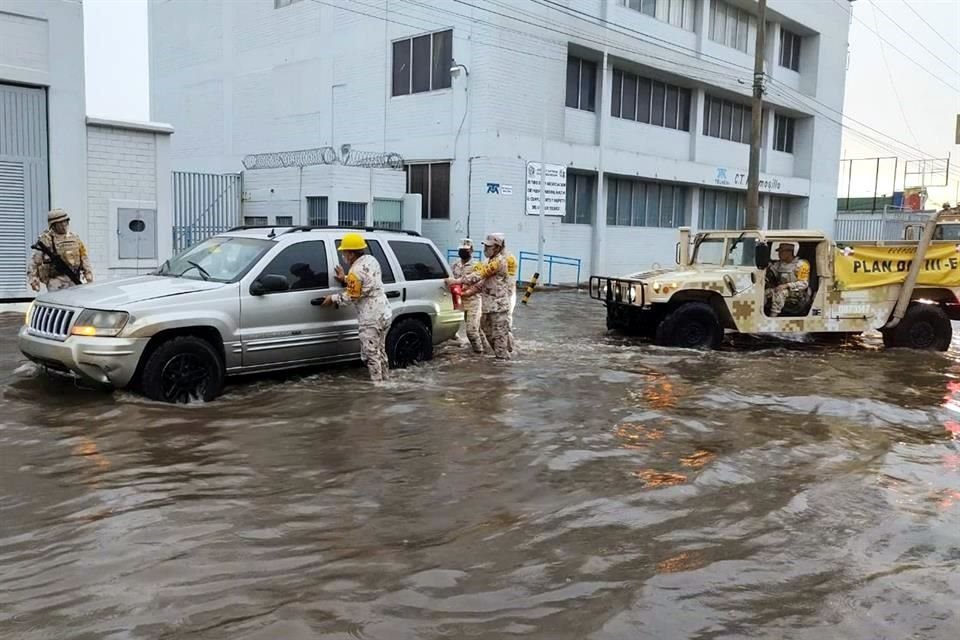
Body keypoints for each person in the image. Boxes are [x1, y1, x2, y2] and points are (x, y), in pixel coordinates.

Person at [321, 232, 391, 381]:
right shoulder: (371, 260)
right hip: (384, 312)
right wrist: (345, 278)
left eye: (344, 252)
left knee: (370, 354)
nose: (343, 255)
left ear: (351, 253)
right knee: (380, 350)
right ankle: (386, 381)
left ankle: (378, 388)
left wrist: (332, 298)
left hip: (370, 317)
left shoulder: (355, 271)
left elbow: (352, 296)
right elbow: (366, 282)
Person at [448, 233, 512, 360]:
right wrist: (466, 292)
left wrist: (457, 281)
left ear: (498, 248)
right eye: (485, 246)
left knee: (499, 342)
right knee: (487, 333)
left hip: (499, 308)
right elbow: (481, 284)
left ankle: (503, 364)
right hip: (488, 306)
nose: (485, 249)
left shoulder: (499, 261)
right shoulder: (489, 261)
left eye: (489, 247)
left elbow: (480, 275)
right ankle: (502, 353)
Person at [28, 208, 94, 292]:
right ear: (53, 225)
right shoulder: (46, 240)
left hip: (74, 278)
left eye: (65, 222)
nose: (63, 225)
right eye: (60, 223)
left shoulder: (74, 238)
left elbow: (84, 256)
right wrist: (33, 279)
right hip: (56, 280)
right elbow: (34, 262)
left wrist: (88, 273)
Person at [452, 238, 484, 353]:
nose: (463, 252)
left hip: (473, 302)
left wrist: (466, 291)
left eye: (466, 250)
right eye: (461, 249)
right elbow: (452, 280)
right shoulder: (455, 264)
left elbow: (481, 284)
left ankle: (479, 354)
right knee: (477, 330)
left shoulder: (477, 266)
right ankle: (486, 349)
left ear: (471, 250)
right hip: (459, 302)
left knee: (471, 331)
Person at [765, 241, 811, 317]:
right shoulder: (779, 264)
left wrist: (787, 285)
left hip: (797, 292)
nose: (779, 254)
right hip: (781, 288)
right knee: (765, 293)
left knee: (780, 294)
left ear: (790, 252)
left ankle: (772, 318)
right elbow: (771, 271)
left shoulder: (801, 265)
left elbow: (804, 284)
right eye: (779, 252)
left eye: (781, 251)